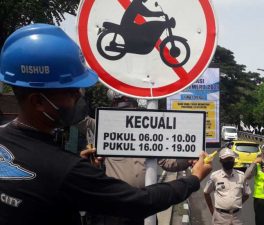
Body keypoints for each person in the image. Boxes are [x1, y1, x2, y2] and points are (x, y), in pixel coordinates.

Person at [0, 23, 212, 225]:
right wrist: (193, 179)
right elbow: (139, 202)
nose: (78, 99)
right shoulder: (64, 169)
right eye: (72, 92)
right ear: (37, 101)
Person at [93, 90, 194, 225]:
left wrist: (189, 159)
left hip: (144, 206)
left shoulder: (150, 136)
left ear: (136, 107)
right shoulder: (104, 129)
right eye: (121, 105)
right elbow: (80, 120)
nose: (127, 110)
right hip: (116, 206)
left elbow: (168, 163)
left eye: (130, 105)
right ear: (113, 106)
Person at [204, 148, 251, 225]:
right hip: (220, 216)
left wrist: (236, 203)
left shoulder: (241, 176)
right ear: (221, 161)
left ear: (234, 160)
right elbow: (206, 193)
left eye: (231, 159)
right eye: (226, 159)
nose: (229, 161)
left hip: (237, 217)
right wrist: (212, 211)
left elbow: (246, 194)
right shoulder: (215, 176)